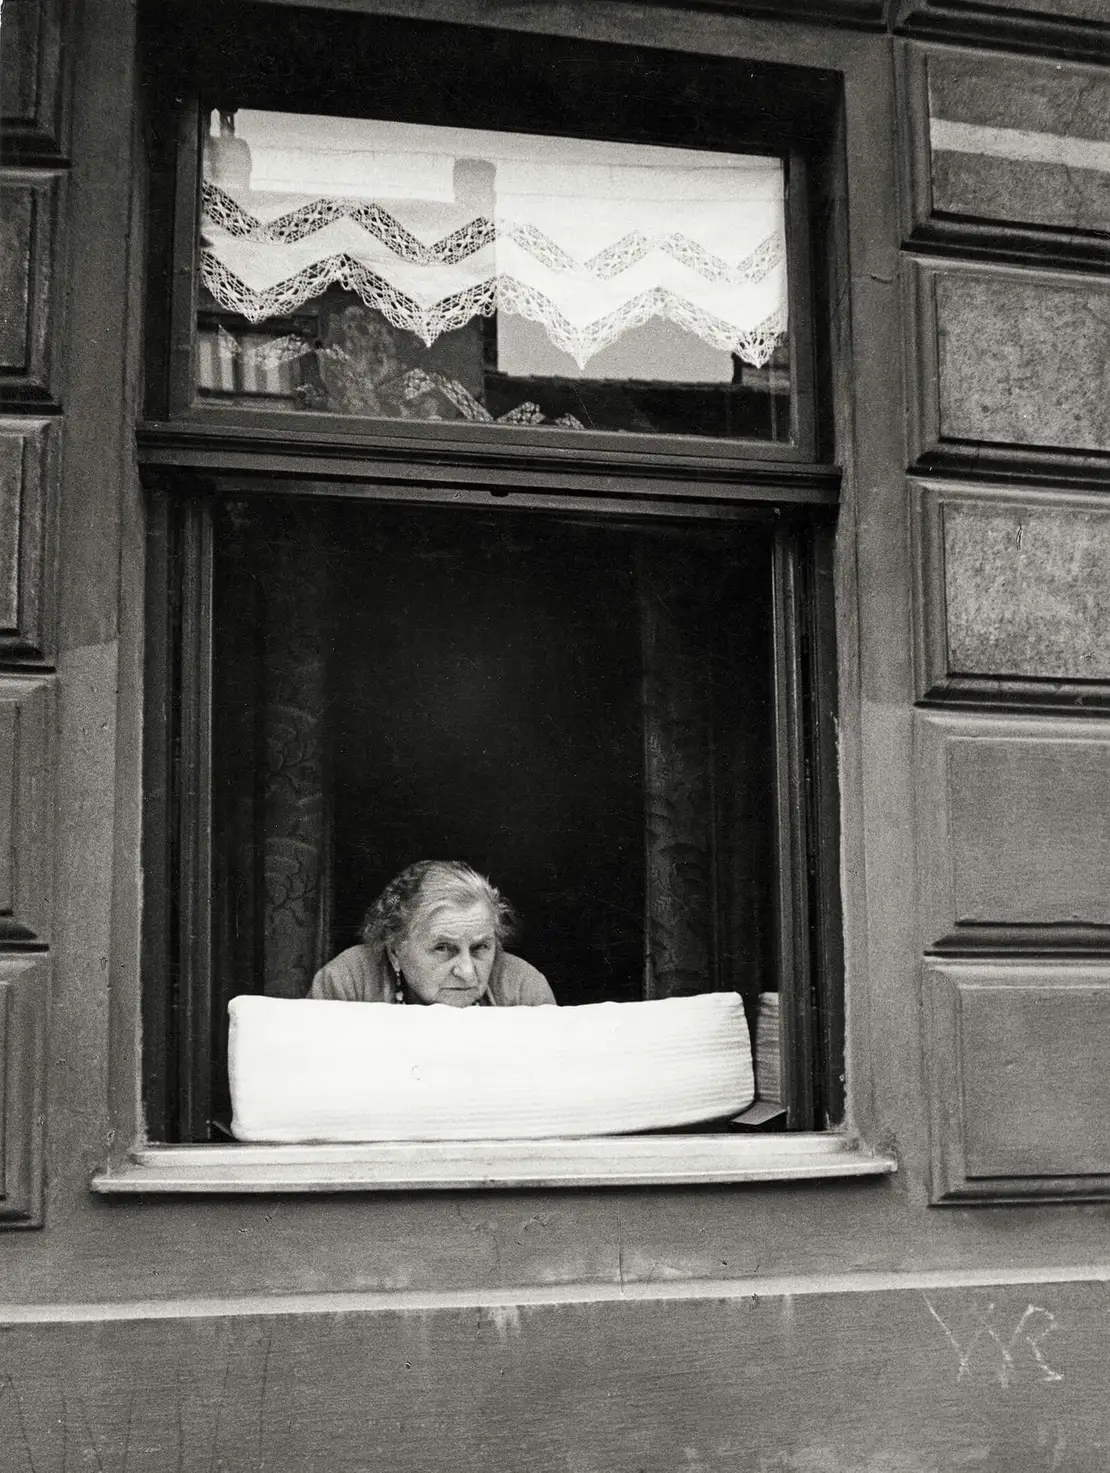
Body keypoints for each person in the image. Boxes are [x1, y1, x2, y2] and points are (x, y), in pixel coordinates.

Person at [308, 860, 556, 1008]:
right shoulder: (348, 981)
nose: (467, 972)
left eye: (480, 948)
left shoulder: (523, 988)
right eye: (443, 948)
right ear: (395, 950)